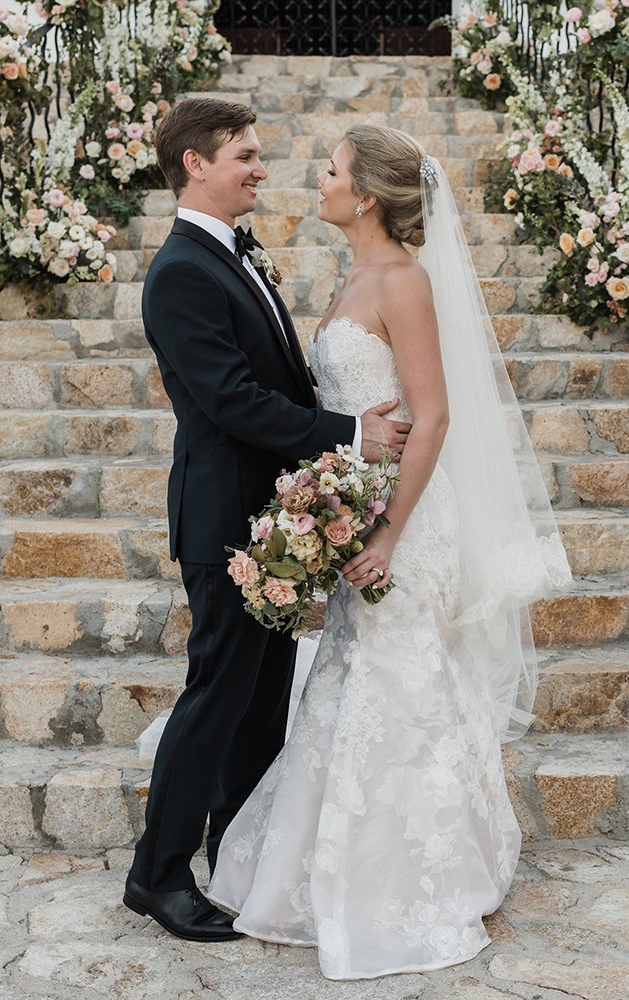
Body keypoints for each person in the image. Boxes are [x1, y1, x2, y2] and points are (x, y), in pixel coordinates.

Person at [205, 124, 570, 979]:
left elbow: (433, 415)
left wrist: (386, 533)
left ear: (365, 194)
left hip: (400, 521)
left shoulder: (403, 280)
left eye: (329, 171)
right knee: (350, 681)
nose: (316, 181)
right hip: (357, 508)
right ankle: (339, 861)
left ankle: (416, 874)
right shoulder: (356, 275)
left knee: (396, 682)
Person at [123, 98, 412, 943]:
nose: (259, 167)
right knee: (217, 696)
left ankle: (241, 861)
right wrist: (353, 434)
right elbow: (232, 403)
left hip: (278, 519)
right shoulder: (181, 271)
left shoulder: (237, 255)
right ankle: (158, 874)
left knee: (260, 701)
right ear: (194, 166)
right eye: (243, 155)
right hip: (226, 519)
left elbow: (277, 386)